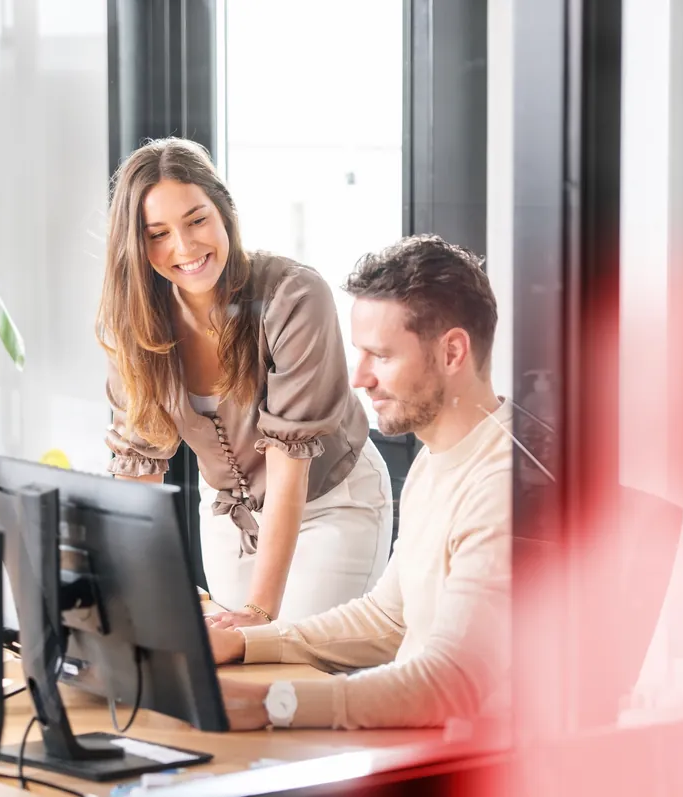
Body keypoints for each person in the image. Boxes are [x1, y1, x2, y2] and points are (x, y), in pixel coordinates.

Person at [208, 234, 512, 730]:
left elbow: (451, 682)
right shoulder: (438, 459)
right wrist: (246, 641)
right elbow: (388, 619)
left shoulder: (503, 487)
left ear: (453, 352)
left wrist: (276, 705)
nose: (360, 378)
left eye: (382, 356)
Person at [97, 137, 395, 626]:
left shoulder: (293, 294)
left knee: (294, 663)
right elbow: (139, 464)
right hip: (229, 517)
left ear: (224, 212)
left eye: (197, 220)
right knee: (228, 666)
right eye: (158, 234)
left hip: (329, 501)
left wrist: (259, 610)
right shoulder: (135, 322)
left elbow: (288, 459)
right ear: (136, 244)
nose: (185, 247)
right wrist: (126, 585)